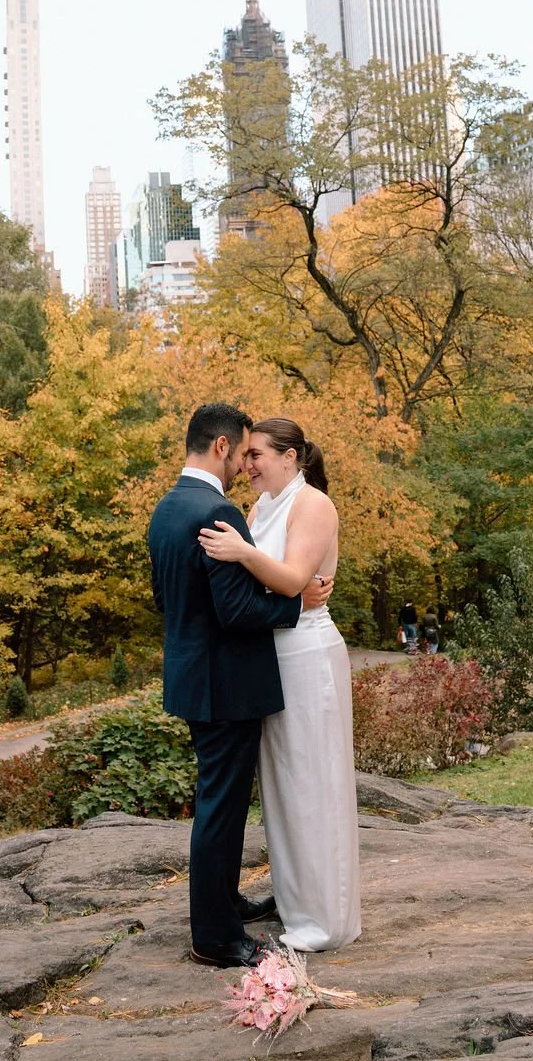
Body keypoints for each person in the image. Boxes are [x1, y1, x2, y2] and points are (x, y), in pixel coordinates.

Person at [148, 403, 333, 971]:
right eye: (243, 452)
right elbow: (233, 609)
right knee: (221, 809)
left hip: (193, 676)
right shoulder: (216, 509)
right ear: (223, 447)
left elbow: (171, 601)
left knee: (217, 802)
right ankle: (216, 936)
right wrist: (292, 602)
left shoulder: (167, 508)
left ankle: (225, 901)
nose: (244, 467)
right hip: (225, 685)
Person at [199, 417, 362, 953]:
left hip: (308, 656)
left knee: (314, 781)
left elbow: (292, 579)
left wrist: (243, 554)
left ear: (290, 456)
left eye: (256, 454)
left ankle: (325, 917)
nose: (246, 465)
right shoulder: (259, 508)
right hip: (270, 659)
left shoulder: (312, 503)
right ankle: (296, 906)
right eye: (244, 455)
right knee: (283, 787)